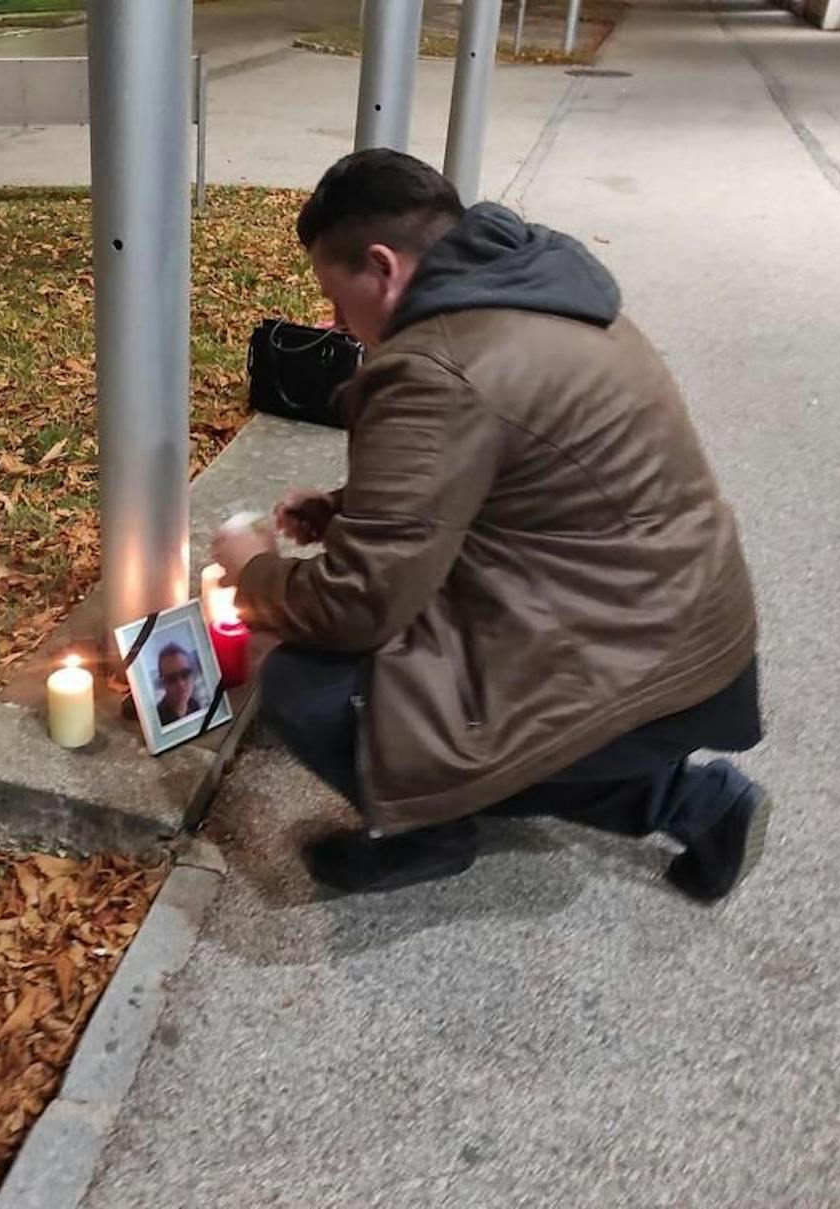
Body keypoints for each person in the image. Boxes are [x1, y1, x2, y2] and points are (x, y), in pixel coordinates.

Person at [211, 149, 770, 899]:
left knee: (305, 681)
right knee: (420, 664)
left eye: (337, 298)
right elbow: (523, 461)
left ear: (383, 265)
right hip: (685, 624)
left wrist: (250, 568)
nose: (334, 322)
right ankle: (690, 800)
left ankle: (429, 830)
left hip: (634, 661)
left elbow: (356, 605)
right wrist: (351, 505)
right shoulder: (530, 287)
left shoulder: (432, 367)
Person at [154, 642, 204, 727]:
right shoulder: (157, 721)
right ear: (163, 684)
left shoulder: (195, 705)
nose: (180, 684)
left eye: (185, 674)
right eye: (171, 678)